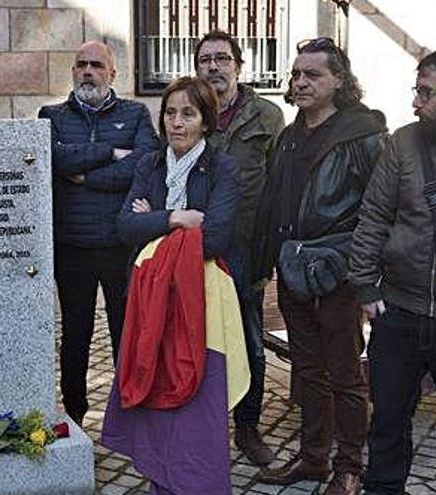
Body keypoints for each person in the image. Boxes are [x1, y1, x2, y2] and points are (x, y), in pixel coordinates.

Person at [349, 47, 436, 495]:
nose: (415, 101)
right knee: (388, 428)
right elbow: (374, 215)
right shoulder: (404, 141)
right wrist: (365, 284)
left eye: (425, 92)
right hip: (398, 313)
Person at [102, 76, 247, 495]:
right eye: (170, 112)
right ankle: (160, 479)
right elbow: (125, 226)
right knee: (155, 394)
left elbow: (216, 235)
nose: (177, 123)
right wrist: (175, 218)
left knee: (195, 401)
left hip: (200, 306)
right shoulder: (150, 164)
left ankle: (195, 483)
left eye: (189, 113)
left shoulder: (223, 167)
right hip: (150, 301)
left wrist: (155, 218)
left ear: (206, 120)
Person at [254, 38, 387, 494]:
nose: (300, 82)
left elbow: (382, 207)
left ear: (339, 80)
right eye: (296, 74)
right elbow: (274, 203)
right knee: (307, 371)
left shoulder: (363, 134)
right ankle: (313, 459)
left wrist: (364, 270)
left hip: (340, 274)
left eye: (312, 74)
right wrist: (264, 262)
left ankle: (349, 466)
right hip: (292, 270)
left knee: (346, 373)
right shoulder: (290, 136)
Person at [37, 41, 158, 426]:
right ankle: (74, 413)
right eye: (81, 65)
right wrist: (110, 151)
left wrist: (85, 177)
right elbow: (55, 158)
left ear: (112, 74)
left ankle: (128, 413)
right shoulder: (51, 116)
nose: (87, 71)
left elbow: (144, 164)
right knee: (75, 336)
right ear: (73, 71)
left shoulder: (136, 114)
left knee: (126, 333)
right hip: (71, 247)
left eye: (96, 65)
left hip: (120, 245)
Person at [195, 29, 285, 466]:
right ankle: (205, 426)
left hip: (248, 247)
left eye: (222, 59)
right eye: (205, 59)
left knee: (250, 342)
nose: (214, 66)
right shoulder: (189, 113)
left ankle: (248, 427)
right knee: (201, 338)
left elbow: (276, 189)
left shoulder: (268, 117)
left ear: (238, 66)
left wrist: (269, 255)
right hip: (198, 249)